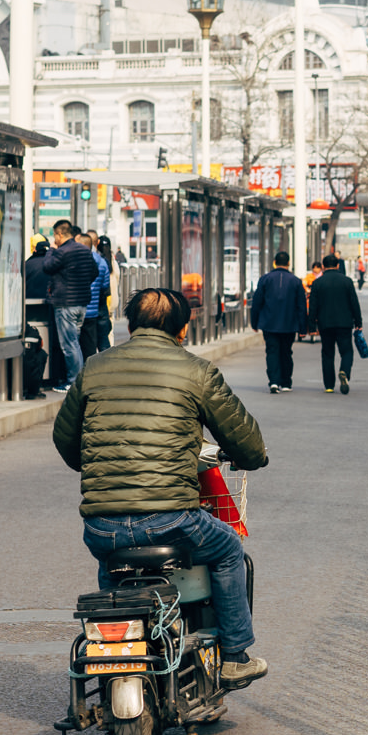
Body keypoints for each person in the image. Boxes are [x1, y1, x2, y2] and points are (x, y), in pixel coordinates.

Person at [53, 287, 270, 688]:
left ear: (130, 325)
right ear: (183, 330)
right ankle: (236, 655)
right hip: (172, 520)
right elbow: (248, 444)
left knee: (113, 562)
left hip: (102, 525)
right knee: (228, 551)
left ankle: (112, 656)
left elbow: (66, 443)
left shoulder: (94, 368)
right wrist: (251, 458)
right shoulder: (197, 371)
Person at [36, 220, 99, 386]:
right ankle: (77, 380)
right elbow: (94, 272)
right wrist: (81, 284)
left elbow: (47, 267)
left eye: (54, 236)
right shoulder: (84, 250)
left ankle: (73, 382)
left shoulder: (62, 251)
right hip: (82, 303)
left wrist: (50, 249)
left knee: (69, 345)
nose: (54, 239)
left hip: (65, 304)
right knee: (75, 343)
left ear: (59, 234)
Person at [252, 251, 307, 392]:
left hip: (269, 323)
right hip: (289, 324)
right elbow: (301, 306)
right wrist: (302, 328)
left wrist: (254, 322)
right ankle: (286, 382)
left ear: (274, 262)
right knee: (286, 352)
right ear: (289, 263)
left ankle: (274, 381)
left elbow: (257, 302)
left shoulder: (265, 279)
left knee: (272, 352)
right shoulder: (296, 281)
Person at [308, 254, 363, 394]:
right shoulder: (347, 281)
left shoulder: (317, 283)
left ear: (323, 266)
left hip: (325, 323)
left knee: (327, 353)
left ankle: (329, 385)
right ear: (338, 265)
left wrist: (311, 326)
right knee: (346, 351)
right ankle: (344, 371)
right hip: (344, 323)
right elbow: (354, 303)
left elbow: (312, 306)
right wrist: (358, 322)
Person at [25, 239, 61, 388]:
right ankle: (53, 377)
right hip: (50, 308)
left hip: (29, 309)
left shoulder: (27, 264)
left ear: (34, 250)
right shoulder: (53, 264)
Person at [81, 231, 112, 362]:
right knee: (102, 341)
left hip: (83, 308)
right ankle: (107, 368)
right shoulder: (102, 261)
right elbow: (105, 287)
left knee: (83, 346)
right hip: (99, 306)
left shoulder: (79, 261)